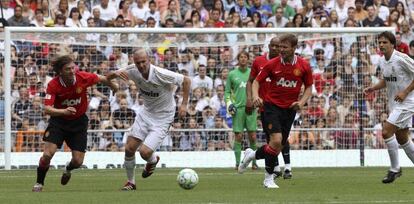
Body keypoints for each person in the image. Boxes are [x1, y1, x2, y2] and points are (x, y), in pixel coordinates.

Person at [32, 55, 119, 192]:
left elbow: (101, 78)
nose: (72, 71)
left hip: (78, 123)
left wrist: (113, 85)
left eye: (73, 68)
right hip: (59, 122)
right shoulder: (53, 84)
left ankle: (68, 169)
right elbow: (47, 109)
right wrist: (63, 112)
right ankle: (39, 183)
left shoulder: (82, 77)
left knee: (78, 162)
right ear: (60, 71)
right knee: (48, 154)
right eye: (68, 69)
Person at [239, 34, 313, 189]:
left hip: (289, 109)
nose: (281, 50)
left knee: (277, 146)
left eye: (285, 47)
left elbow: (308, 87)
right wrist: (255, 96)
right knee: (276, 140)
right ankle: (268, 179)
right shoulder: (272, 64)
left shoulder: (304, 66)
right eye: (280, 47)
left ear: (293, 48)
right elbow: (255, 82)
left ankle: (251, 155)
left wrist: (301, 102)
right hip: (270, 107)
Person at [115, 49, 191, 190]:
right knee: (129, 149)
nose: (141, 65)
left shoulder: (161, 74)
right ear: (134, 63)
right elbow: (113, 74)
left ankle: (153, 160)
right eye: (138, 63)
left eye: (144, 62)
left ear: (149, 60)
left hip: (164, 116)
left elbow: (186, 81)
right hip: (146, 113)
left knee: (144, 152)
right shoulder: (132, 71)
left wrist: (184, 105)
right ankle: (131, 182)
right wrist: (112, 76)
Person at [363, 31, 414, 184]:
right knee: (402, 138)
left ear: (392, 44)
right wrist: (373, 88)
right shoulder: (382, 61)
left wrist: (405, 92)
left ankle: (395, 169)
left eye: (385, 42)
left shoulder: (401, 58)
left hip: (408, 102)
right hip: (396, 103)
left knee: (386, 131)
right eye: (379, 42)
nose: (381, 45)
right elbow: (386, 81)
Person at [246, 37, 292, 179]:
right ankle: (276, 168)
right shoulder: (259, 61)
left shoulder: (284, 63)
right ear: (269, 46)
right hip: (265, 105)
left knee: (282, 137)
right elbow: (251, 81)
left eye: (279, 46)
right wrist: (250, 98)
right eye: (273, 46)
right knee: (272, 137)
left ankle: (287, 166)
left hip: (282, 105)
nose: (276, 48)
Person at [224, 50, 258, 170]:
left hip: (251, 108)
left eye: (245, 57)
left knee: (253, 136)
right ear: (238, 60)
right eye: (241, 57)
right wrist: (229, 104)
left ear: (248, 59)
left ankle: (254, 163)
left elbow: (258, 88)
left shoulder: (253, 73)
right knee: (238, 136)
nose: (243, 59)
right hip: (238, 110)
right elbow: (227, 92)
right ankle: (238, 163)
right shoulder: (232, 74)